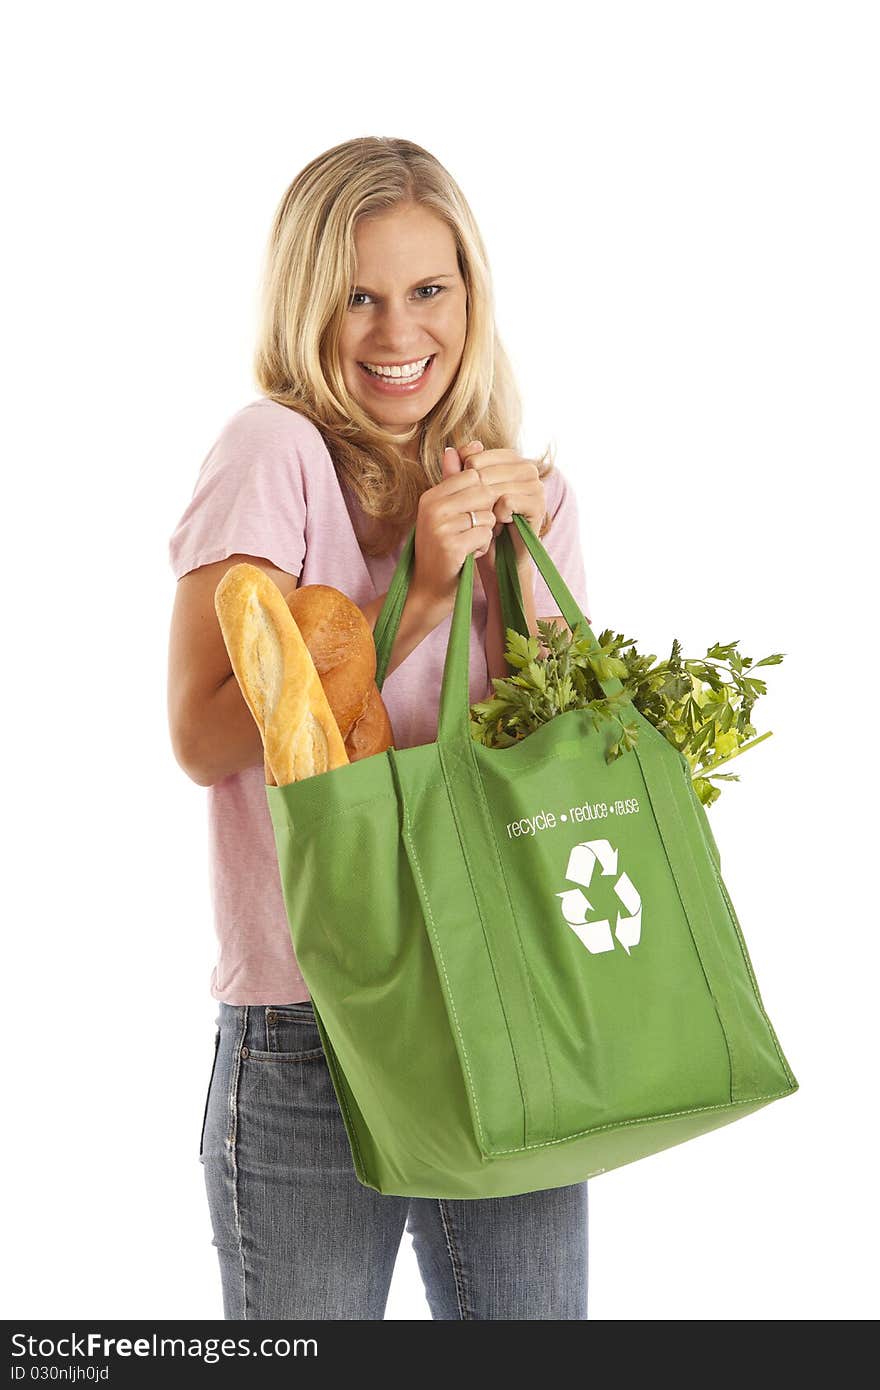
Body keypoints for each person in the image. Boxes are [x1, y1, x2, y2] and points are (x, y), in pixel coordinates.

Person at [166, 136, 593, 1321]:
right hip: (314, 1017)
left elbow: (555, 762)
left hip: (500, 1000)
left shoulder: (525, 493)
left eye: (427, 291)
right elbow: (203, 736)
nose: (396, 334)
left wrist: (516, 575)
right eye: (357, 295)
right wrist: (416, 593)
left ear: (470, 296)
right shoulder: (275, 455)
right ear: (308, 301)